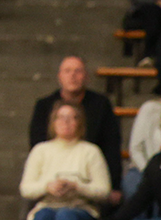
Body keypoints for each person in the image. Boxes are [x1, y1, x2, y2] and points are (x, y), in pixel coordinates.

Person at [29, 57, 124, 197]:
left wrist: (114, 186)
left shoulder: (101, 105)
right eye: (67, 71)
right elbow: (37, 142)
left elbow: (111, 145)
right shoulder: (44, 106)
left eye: (78, 71)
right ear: (59, 76)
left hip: (90, 177)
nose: (72, 76)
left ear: (86, 77)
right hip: (50, 180)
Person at [21, 100, 112, 220]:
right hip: (47, 205)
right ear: (53, 122)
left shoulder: (91, 151)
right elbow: (26, 188)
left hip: (80, 208)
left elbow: (104, 190)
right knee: (43, 215)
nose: (65, 122)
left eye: (71, 118)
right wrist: (47, 187)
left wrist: (77, 187)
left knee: (65, 215)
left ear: (79, 122)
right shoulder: (40, 150)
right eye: (61, 117)